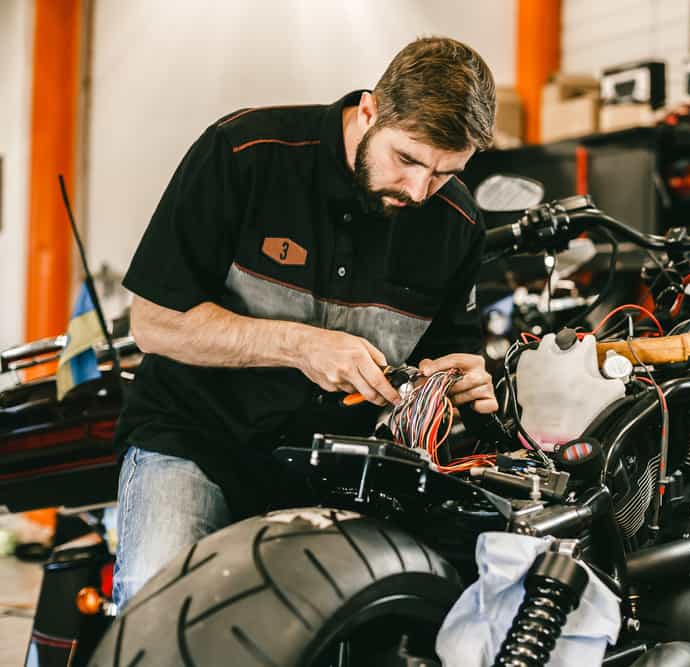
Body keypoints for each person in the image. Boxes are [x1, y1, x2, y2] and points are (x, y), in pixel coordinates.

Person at [111, 36, 499, 609]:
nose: (420, 191)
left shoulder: (457, 222)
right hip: (195, 439)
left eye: (444, 173)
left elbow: (445, 360)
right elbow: (155, 323)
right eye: (409, 159)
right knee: (158, 603)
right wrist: (299, 346)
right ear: (369, 111)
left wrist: (461, 381)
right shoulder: (244, 153)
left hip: (342, 470)